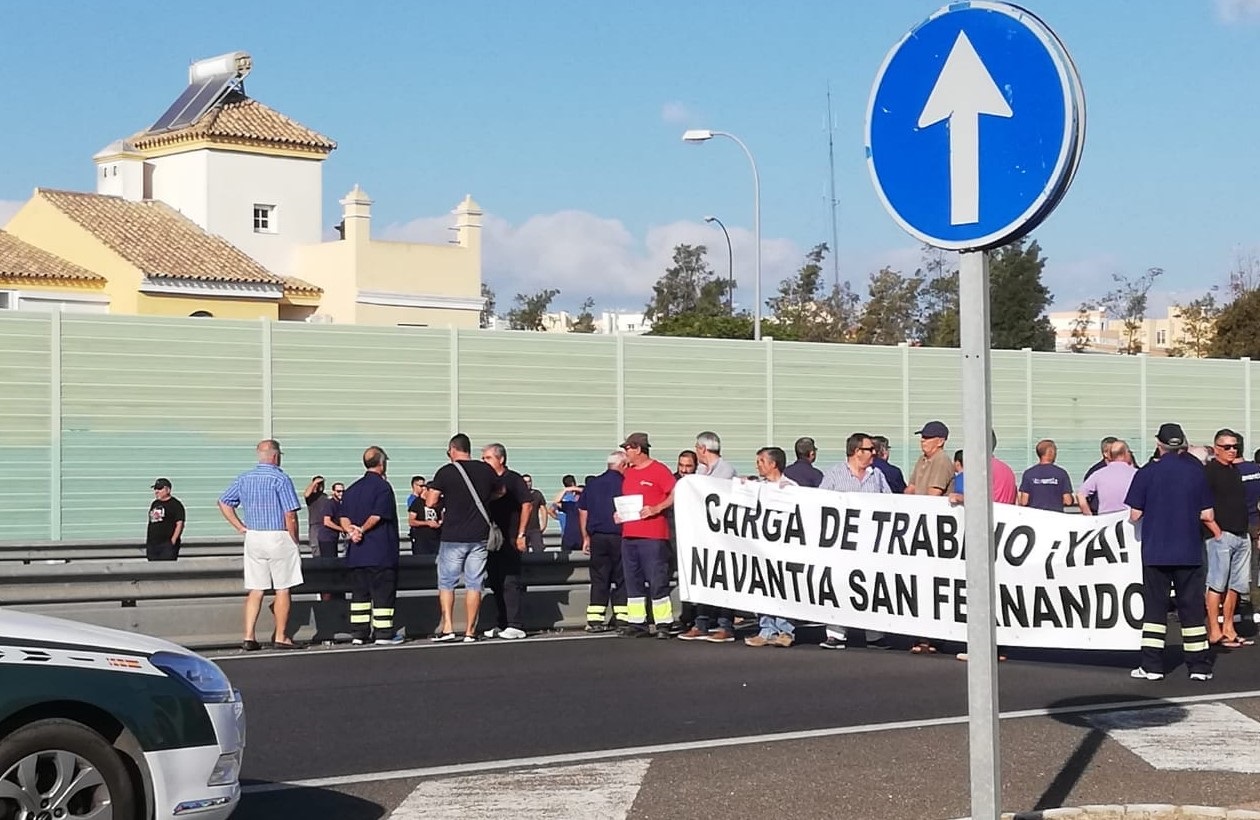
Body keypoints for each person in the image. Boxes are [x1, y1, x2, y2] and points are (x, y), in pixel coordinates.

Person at [1125, 423, 1215, 681]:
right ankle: (1199, 666)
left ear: (1158, 443)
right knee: (1192, 608)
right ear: (1182, 444)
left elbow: (1134, 515)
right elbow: (1207, 513)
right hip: (1189, 549)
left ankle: (1152, 665)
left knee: (1155, 608)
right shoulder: (1196, 471)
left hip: (1155, 550)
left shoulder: (1147, 472)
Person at [218, 439, 304, 652]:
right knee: (283, 587)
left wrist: (240, 526)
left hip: (254, 536)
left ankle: (249, 636)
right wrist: (295, 539)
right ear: (276, 456)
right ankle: (281, 636)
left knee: (256, 589)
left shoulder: (244, 478)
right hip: (278, 535)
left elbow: (224, 502)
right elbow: (290, 514)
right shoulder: (280, 478)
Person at [425, 434, 501, 643]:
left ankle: (448, 627)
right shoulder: (485, 469)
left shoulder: (446, 471)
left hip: (453, 536)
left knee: (447, 582)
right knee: (474, 583)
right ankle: (470, 631)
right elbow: (501, 491)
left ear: (452, 449)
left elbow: (430, 502)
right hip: (479, 536)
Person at [818, 434, 891, 650]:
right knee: (839, 584)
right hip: (841, 543)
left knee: (871, 585)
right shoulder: (834, 474)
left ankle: (874, 634)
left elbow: (890, 502)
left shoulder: (877, 475)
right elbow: (818, 502)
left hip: (870, 543)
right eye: (870, 449)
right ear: (857, 451)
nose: (874, 453)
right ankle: (836, 634)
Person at [616, 432, 678, 638]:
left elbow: (675, 492)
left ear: (638, 449)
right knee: (632, 579)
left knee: (656, 578)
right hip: (629, 534)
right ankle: (637, 622)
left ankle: (663, 623)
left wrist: (657, 508)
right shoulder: (629, 473)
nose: (625, 452)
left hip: (653, 535)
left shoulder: (659, 470)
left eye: (628, 449)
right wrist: (618, 514)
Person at [339, 446, 402, 646]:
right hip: (380, 552)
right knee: (383, 594)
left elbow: (343, 517)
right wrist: (362, 530)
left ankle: (359, 633)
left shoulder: (352, 489)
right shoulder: (383, 487)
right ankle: (383, 633)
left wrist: (351, 532)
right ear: (382, 464)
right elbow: (377, 515)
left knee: (359, 597)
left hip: (357, 555)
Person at [742, 447, 799, 648]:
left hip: (783, 548)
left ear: (773, 464)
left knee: (783, 589)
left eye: (761, 461)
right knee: (762, 588)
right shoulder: (757, 486)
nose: (757, 465)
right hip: (760, 547)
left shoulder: (790, 487)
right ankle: (766, 629)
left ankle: (785, 630)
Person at [1203, 428, 1253, 648]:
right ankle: (1214, 631)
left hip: (1242, 534)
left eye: (1235, 446)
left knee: (1237, 585)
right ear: (1216, 449)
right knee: (1217, 584)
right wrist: (1216, 531)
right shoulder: (1209, 472)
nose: (1232, 450)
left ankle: (1229, 628)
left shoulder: (1235, 471)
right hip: (1220, 536)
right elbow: (1201, 505)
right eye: (1227, 447)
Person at [481, 443, 532, 640]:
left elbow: (527, 504)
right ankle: (501, 622)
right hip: (493, 538)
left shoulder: (513, 479)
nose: (485, 462)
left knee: (510, 581)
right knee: (494, 581)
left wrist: (521, 534)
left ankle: (515, 624)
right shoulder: (488, 481)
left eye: (488, 458)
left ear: (500, 459)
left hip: (510, 536)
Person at [579, 451, 628, 632]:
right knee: (622, 578)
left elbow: (583, 511)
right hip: (620, 537)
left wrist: (585, 537)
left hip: (597, 537)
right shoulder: (625, 484)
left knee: (599, 578)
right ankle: (622, 618)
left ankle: (595, 620)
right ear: (623, 465)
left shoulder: (592, 485)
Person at [1078, 440, 1138, 515]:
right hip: (1128, 519)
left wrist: (1089, 515)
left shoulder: (1098, 473)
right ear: (1125, 454)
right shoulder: (1136, 473)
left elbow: (1080, 494)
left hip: (1105, 520)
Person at [1018, 440, 1074, 512]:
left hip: (1034, 517)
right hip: (1055, 516)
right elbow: (1068, 501)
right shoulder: (1061, 473)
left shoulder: (1029, 473)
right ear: (1051, 452)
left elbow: (1024, 501)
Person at [905, 421, 953, 498]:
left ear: (940, 442)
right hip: (916, 507)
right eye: (922, 436)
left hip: (934, 508)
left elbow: (934, 493)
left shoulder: (941, 459)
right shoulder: (922, 459)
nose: (922, 440)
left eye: (927, 437)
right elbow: (911, 488)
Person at [145, 478, 185, 561]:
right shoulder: (155, 503)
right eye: (155, 489)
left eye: (159, 489)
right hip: (153, 545)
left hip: (167, 545)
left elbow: (180, 524)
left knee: (166, 570)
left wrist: (173, 541)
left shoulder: (176, 505)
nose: (156, 491)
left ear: (168, 490)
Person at [1082, 437, 1119, 514]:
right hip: (1100, 514)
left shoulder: (1127, 469)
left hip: (1122, 512)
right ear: (1105, 453)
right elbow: (1083, 495)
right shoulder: (1095, 471)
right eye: (1113, 451)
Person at [407, 482, 441, 556]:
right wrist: (427, 523)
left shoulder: (439, 502)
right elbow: (411, 521)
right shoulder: (417, 503)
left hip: (436, 539)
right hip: (422, 541)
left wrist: (440, 523)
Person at [551, 475, 582, 552]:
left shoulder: (582, 504)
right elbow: (554, 505)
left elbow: (552, 508)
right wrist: (559, 517)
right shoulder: (571, 504)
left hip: (578, 536)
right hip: (570, 536)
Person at [522, 474, 550, 553]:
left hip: (535, 528)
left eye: (529, 481)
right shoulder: (518, 494)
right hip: (522, 529)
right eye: (525, 482)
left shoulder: (537, 494)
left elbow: (543, 509)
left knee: (539, 550)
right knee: (522, 551)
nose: (528, 483)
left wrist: (544, 525)